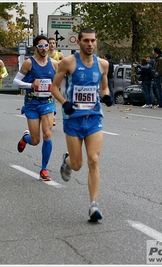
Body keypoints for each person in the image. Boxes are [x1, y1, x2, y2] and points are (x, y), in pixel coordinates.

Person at [51, 28, 113, 222]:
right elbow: (54, 87)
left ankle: (94, 205)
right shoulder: (68, 62)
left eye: (93, 41)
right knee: (77, 165)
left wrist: (107, 96)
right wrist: (64, 103)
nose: (90, 44)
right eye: (86, 40)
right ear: (78, 42)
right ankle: (67, 162)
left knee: (93, 160)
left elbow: (103, 87)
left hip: (94, 118)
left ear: (96, 41)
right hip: (73, 119)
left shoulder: (103, 64)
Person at [13, 35, 59, 181]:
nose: (45, 48)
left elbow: (60, 83)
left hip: (47, 103)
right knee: (35, 140)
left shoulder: (54, 64)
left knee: (47, 134)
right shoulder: (29, 63)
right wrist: (31, 85)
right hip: (32, 103)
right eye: (41, 46)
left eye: (46, 46)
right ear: (35, 48)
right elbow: (16, 81)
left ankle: (44, 169)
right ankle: (25, 139)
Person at [48, 37, 64, 126]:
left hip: (57, 78)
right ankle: (50, 114)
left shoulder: (59, 54)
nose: (52, 45)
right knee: (49, 97)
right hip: (47, 78)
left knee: (53, 97)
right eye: (50, 43)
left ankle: (52, 115)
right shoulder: (44, 54)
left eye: (53, 43)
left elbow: (65, 63)